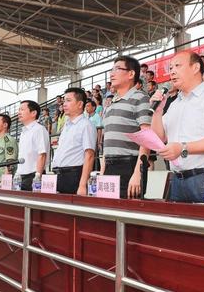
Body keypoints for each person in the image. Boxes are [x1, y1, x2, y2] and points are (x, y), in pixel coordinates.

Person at [150, 51, 204, 203]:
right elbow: (159, 137)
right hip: (177, 181)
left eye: (178, 66)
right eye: (170, 68)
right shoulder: (174, 105)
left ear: (195, 67)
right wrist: (158, 112)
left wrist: (183, 148)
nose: (172, 72)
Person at [102, 56, 151, 199]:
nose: (112, 73)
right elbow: (107, 143)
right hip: (109, 166)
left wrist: (137, 173)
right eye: (112, 69)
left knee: (127, 209)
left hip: (129, 166)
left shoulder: (140, 98)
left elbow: (146, 137)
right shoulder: (111, 104)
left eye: (117, 69)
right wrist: (102, 172)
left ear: (131, 74)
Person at [51, 88, 96, 195]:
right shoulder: (66, 126)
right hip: (59, 175)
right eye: (64, 101)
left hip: (74, 176)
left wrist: (82, 185)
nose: (64, 104)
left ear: (80, 104)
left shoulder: (86, 125)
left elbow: (89, 155)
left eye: (68, 100)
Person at [17, 100, 50, 191]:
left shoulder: (39, 129)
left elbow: (42, 154)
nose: (19, 112)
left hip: (34, 176)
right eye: (19, 110)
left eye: (22, 109)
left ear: (33, 113)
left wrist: (37, 177)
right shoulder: (23, 132)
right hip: (21, 176)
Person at [85, 99, 104, 169]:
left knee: (95, 158)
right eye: (86, 106)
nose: (86, 108)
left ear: (93, 107)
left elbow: (99, 130)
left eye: (88, 106)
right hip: (87, 140)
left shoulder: (97, 116)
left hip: (94, 141)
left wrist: (99, 142)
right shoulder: (86, 117)